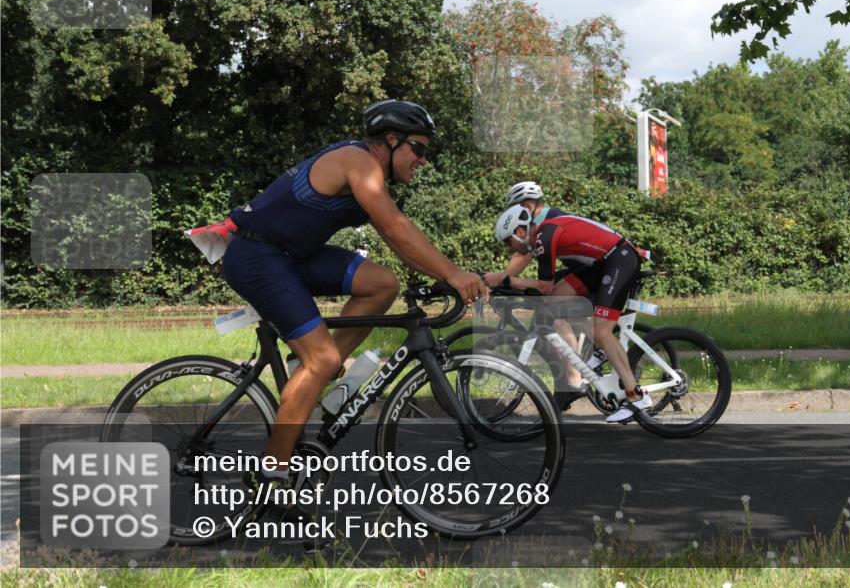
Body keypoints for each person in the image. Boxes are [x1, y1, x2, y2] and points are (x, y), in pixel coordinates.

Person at [222, 100, 488, 486]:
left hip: (292, 255)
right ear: (392, 140)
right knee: (323, 358)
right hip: (257, 255)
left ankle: (310, 372)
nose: (424, 159)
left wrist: (447, 274)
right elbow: (396, 229)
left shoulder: (371, 173)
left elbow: (401, 237)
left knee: (381, 284)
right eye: (420, 148)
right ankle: (273, 475)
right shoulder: (358, 160)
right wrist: (453, 273)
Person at [491, 206, 651, 422]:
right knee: (554, 301)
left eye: (508, 243)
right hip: (602, 264)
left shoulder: (543, 238)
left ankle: (636, 396)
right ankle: (600, 348)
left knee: (602, 331)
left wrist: (505, 279)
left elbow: (543, 286)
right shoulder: (541, 236)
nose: (511, 249)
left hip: (619, 260)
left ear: (519, 233)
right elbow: (547, 292)